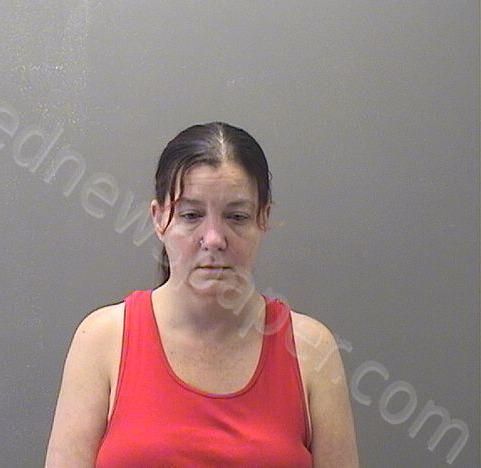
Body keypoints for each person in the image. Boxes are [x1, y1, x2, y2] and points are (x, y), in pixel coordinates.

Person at [45, 122, 360, 467]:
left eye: (236, 216)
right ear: (159, 219)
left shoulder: (310, 349)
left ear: (263, 219)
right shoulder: (102, 340)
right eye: (191, 215)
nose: (213, 238)